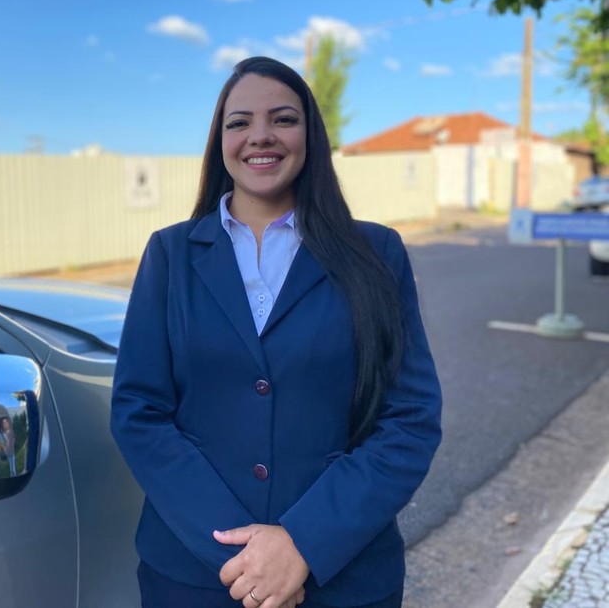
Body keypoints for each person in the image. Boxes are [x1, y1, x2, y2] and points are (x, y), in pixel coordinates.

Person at [110, 56, 442, 608]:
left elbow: (409, 421)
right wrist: (246, 561)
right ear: (220, 140)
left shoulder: (376, 253)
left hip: (342, 580)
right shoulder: (169, 255)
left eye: (282, 119)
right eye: (239, 122)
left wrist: (304, 544)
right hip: (195, 580)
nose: (259, 136)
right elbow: (139, 413)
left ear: (310, 134)